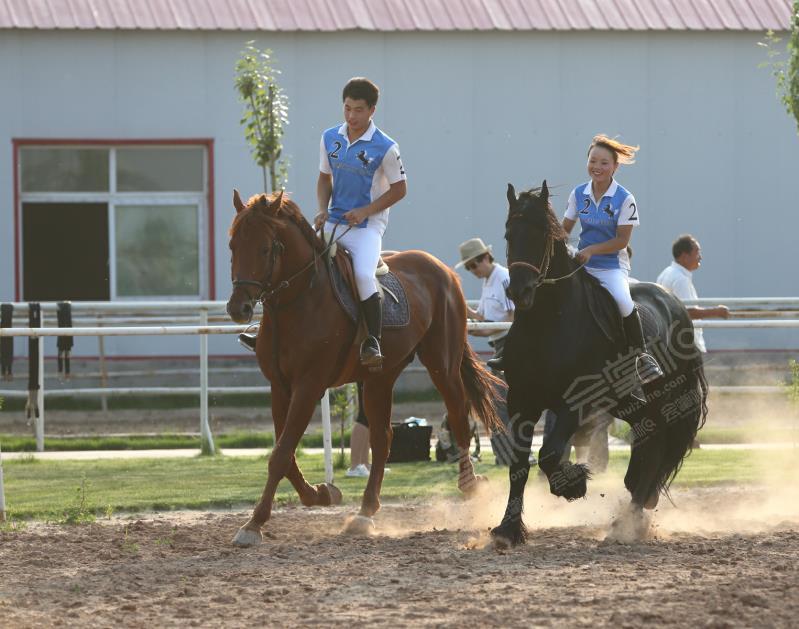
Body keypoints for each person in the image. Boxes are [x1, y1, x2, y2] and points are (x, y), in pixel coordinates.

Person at [239, 77, 407, 371]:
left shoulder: (387, 147)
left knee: (364, 276)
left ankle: (373, 342)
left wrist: (366, 210)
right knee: (294, 263)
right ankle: (267, 331)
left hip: (366, 228)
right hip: (332, 220)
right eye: (347, 109)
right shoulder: (330, 137)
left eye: (358, 110)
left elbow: (399, 189)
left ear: (372, 111)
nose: (351, 116)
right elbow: (323, 178)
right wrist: (321, 209)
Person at [562, 134, 662, 384]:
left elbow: (621, 241)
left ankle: (642, 356)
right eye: (593, 160)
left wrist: (592, 251)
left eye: (604, 163)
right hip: (579, 263)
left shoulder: (625, 198)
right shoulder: (577, 194)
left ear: (615, 167)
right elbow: (564, 231)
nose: (597, 167)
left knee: (622, 300)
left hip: (610, 266)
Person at [455, 237, 517, 465]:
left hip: (509, 344)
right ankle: (508, 455)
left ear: (485, 258)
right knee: (498, 399)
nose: (472, 270)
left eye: (473, 264)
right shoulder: (489, 280)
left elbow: (511, 318)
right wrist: (465, 311)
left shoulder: (503, 278)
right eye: (469, 267)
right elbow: (484, 319)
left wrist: (473, 328)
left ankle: (508, 455)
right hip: (498, 345)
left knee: (498, 400)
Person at [656, 234, 730, 353]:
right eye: (697, 252)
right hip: (687, 345)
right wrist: (717, 312)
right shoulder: (680, 279)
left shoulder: (666, 273)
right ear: (685, 256)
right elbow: (688, 313)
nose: (700, 257)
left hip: (671, 343)